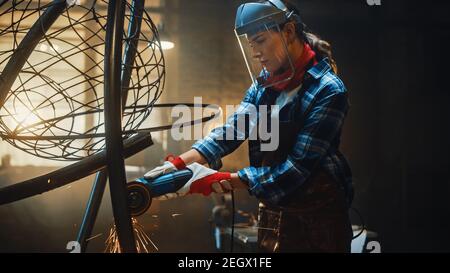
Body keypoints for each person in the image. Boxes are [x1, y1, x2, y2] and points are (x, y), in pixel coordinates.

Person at [145, 0, 353, 252]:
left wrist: (224, 179)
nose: (254, 52)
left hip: (319, 221)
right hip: (273, 212)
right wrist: (179, 163)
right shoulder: (264, 85)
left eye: (261, 40)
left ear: (288, 32)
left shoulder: (328, 91)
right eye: (250, 43)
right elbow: (230, 131)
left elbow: (296, 170)